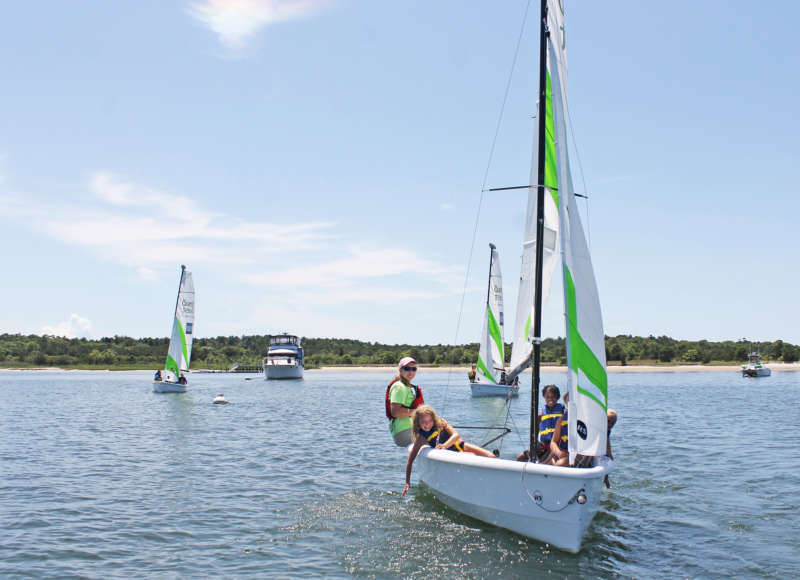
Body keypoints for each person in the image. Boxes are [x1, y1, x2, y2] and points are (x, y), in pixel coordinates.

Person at [402, 405, 494, 496]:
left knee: (492, 457)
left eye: (430, 421)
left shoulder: (441, 423)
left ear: (433, 419)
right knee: (474, 460)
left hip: (462, 447)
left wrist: (445, 445)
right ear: (418, 423)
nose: (427, 424)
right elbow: (410, 461)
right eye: (423, 422)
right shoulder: (421, 438)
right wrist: (407, 482)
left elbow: (456, 435)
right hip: (452, 457)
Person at [516, 384, 564, 463]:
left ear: (557, 397)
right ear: (544, 398)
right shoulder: (540, 416)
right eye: (548, 397)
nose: (550, 399)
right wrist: (537, 443)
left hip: (556, 447)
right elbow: (535, 432)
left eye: (553, 397)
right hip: (544, 446)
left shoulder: (563, 413)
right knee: (521, 457)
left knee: (545, 462)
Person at [386, 357, 424, 447]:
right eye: (407, 368)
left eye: (414, 369)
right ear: (400, 370)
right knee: (439, 439)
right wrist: (420, 412)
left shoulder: (407, 387)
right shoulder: (399, 387)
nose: (411, 372)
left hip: (411, 429)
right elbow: (396, 412)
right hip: (403, 432)